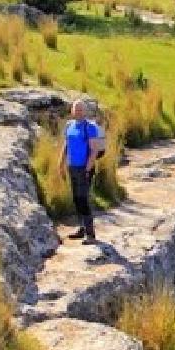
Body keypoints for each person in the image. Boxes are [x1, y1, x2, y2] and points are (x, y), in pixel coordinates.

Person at [61, 98, 106, 244]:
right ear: (72, 111)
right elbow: (66, 145)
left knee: (83, 199)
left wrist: (87, 168)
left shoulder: (90, 127)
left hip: (84, 168)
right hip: (72, 167)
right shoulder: (70, 126)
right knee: (76, 198)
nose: (78, 112)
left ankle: (91, 235)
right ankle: (81, 229)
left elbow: (94, 150)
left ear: (85, 111)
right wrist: (60, 163)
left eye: (81, 109)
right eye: (76, 109)